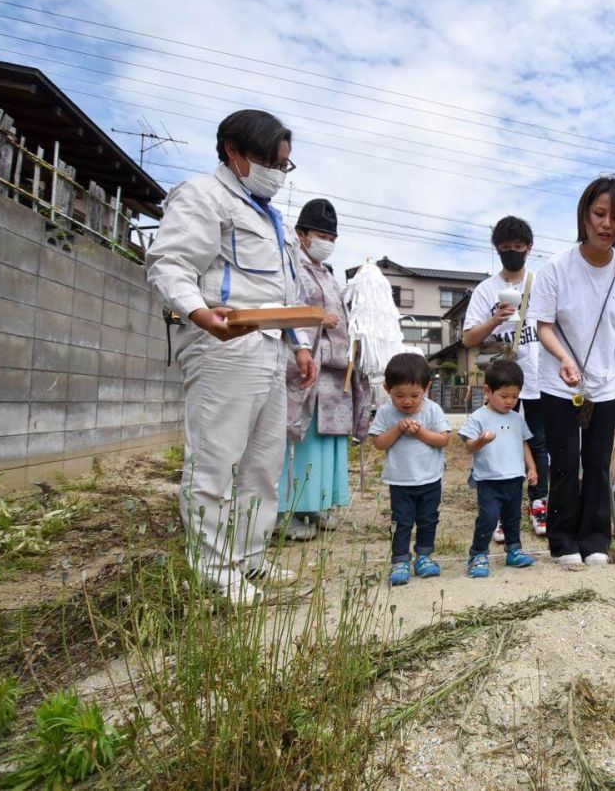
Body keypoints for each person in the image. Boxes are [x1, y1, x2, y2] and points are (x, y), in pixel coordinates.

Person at [147, 109, 316, 606]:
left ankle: (249, 556)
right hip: (223, 343)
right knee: (216, 460)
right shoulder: (203, 196)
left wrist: (299, 344)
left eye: (285, 165)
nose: (278, 173)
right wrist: (198, 314)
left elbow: (282, 289)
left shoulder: (273, 218)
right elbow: (170, 264)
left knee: (264, 464)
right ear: (232, 152)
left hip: (268, 346)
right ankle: (214, 571)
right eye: (270, 161)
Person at [532, 175, 615, 566]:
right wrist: (563, 358)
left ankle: (596, 540)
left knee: (599, 465)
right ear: (585, 216)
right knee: (564, 464)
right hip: (558, 383)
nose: (606, 224)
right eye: (599, 214)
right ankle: (563, 542)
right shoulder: (556, 268)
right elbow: (543, 326)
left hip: (606, 385)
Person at [277, 199, 371, 541]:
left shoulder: (328, 274)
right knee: (296, 442)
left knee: (324, 443)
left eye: (332, 237)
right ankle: (283, 511)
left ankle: (315, 503)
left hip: (333, 375)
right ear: (301, 235)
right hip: (304, 367)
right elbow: (284, 309)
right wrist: (317, 318)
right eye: (320, 234)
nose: (327, 242)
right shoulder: (290, 266)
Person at [462, 216, 548, 540]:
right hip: (500, 382)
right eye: (506, 247)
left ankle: (539, 504)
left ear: (529, 248)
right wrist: (494, 319)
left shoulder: (541, 285)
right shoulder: (486, 290)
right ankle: (496, 509)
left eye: (518, 247)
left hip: (538, 380)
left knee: (538, 443)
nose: (513, 252)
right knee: (497, 441)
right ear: (497, 249)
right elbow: (469, 339)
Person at [369, 353, 452, 586]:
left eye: (415, 396)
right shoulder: (386, 412)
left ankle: (424, 557)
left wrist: (419, 432)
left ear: (427, 387)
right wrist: (397, 429)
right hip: (401, 481)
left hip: (430, 478)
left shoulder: (432, 410)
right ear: (387, 389)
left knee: (428, 519)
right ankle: (400, 560)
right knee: (402, 521)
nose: (407, 401)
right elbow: (378, 443)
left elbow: (443, 439)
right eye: (399, 395)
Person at [458, 361, 538, 578]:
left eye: (515, 396)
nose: (510, 401)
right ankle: (478, 554)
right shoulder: (478, 417)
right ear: (487, 391)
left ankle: (514, 550)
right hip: (489, 480)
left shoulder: (517, 418)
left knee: (513, 518)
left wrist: (532, 468)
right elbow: (468, 446)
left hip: (514, 478)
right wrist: (481, 442)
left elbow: (523, 444)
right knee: (489, 517)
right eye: (504, 396)